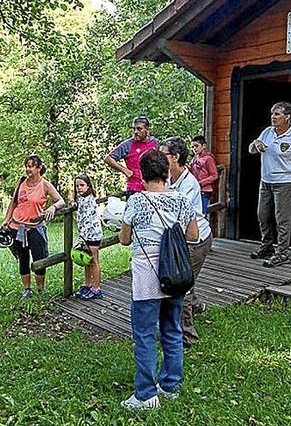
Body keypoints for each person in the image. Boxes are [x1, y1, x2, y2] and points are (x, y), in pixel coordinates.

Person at [119, 149, 198, 410]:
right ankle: (170, 385)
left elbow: (124, 239)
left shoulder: (137, 202)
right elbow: (194, 235)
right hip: (174, 275)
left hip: (146, 279)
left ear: (142, 174)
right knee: (172, 330)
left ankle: (145, 394)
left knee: (144, 335)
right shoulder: (182, 200)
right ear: (166, 172)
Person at [248, 102, 291, 267]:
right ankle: (267, 246)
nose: (273, 117)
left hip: (285, 183)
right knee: (262, 215)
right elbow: (251, 149)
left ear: (287, 117)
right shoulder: (267, 132)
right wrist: (256, 144)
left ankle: (282, 253)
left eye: (277, 114)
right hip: (265, 181)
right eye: (272, 114)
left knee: (282, 220)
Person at [161, 137, 213, 346]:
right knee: (187, 278)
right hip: (180, 238)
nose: (159, 157)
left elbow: (178, 217)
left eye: (163, 154)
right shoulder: (167, 178)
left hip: (195, 240)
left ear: (175, 157)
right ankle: (198, 306)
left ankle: (187, 336)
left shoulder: (189, 184)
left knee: (181, 285)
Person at [1, 154, 65, 299]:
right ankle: (27, 289)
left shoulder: (45, 184)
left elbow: (61, 201)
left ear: (39, 168)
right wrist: (6, 219)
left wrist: (52, 208)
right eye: (27, 166)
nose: (28, 169)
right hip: (18, 226)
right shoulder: (22, 182)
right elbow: (14, 202)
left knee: (39, 259)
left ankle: (40, 289)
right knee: (23, 258)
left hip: (35, 227)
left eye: (31, 166)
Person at [104, 116, 159, 196]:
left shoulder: (155, 143)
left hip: (153, 189)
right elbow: (108, 159)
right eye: (134, 129)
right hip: (135, 189)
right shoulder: (128, 145)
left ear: (148, 129)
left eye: (139, 129)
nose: (136, 132)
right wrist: (124, 170)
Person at [73, 174, 102, 300]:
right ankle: (87, 284)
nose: (79, 188)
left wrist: (83, 238)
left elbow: (88, 221)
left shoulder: (90, 200)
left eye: (82, 185)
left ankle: (96, 288)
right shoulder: (82, 200)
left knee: (94, 261)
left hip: (92, 235)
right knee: (86, 260)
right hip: (85, 236)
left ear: (88, 186)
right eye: (77, 186)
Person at [189, 136, 218, 214]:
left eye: (196, 146)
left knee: (201, 213)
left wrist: (201, 183)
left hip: (205, 190)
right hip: (196, 190)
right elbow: (191, 169)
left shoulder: (208, 158)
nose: (194, 149)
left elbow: (214, 175)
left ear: (204, 146)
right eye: (192, 147)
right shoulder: (195, 157)